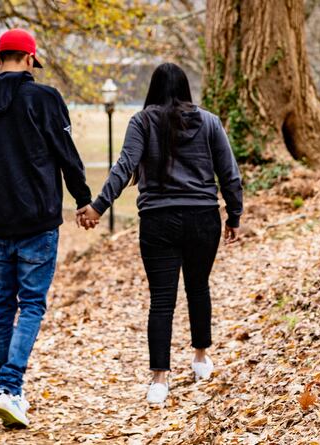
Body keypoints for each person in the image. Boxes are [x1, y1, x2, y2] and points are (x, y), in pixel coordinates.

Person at [0, 28, 99, 427]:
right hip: (38, 219)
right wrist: (83, 200)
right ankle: (10, 388)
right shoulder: (44, 98)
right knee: (31, 303)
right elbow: (67, 154)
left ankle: (8, 389)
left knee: (2, 306)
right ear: (30, 60)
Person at [78, 63, 243, 405]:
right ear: (185, 88)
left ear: (152, 89)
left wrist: (98, 206)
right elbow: (230, 172)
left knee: (162, 300)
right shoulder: (209, 122)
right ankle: (200, 358)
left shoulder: (142, 122)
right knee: (198, 287)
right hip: (202, 218)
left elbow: (124, 166)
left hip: (158, 221)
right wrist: (234, 214)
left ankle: (159, 380)